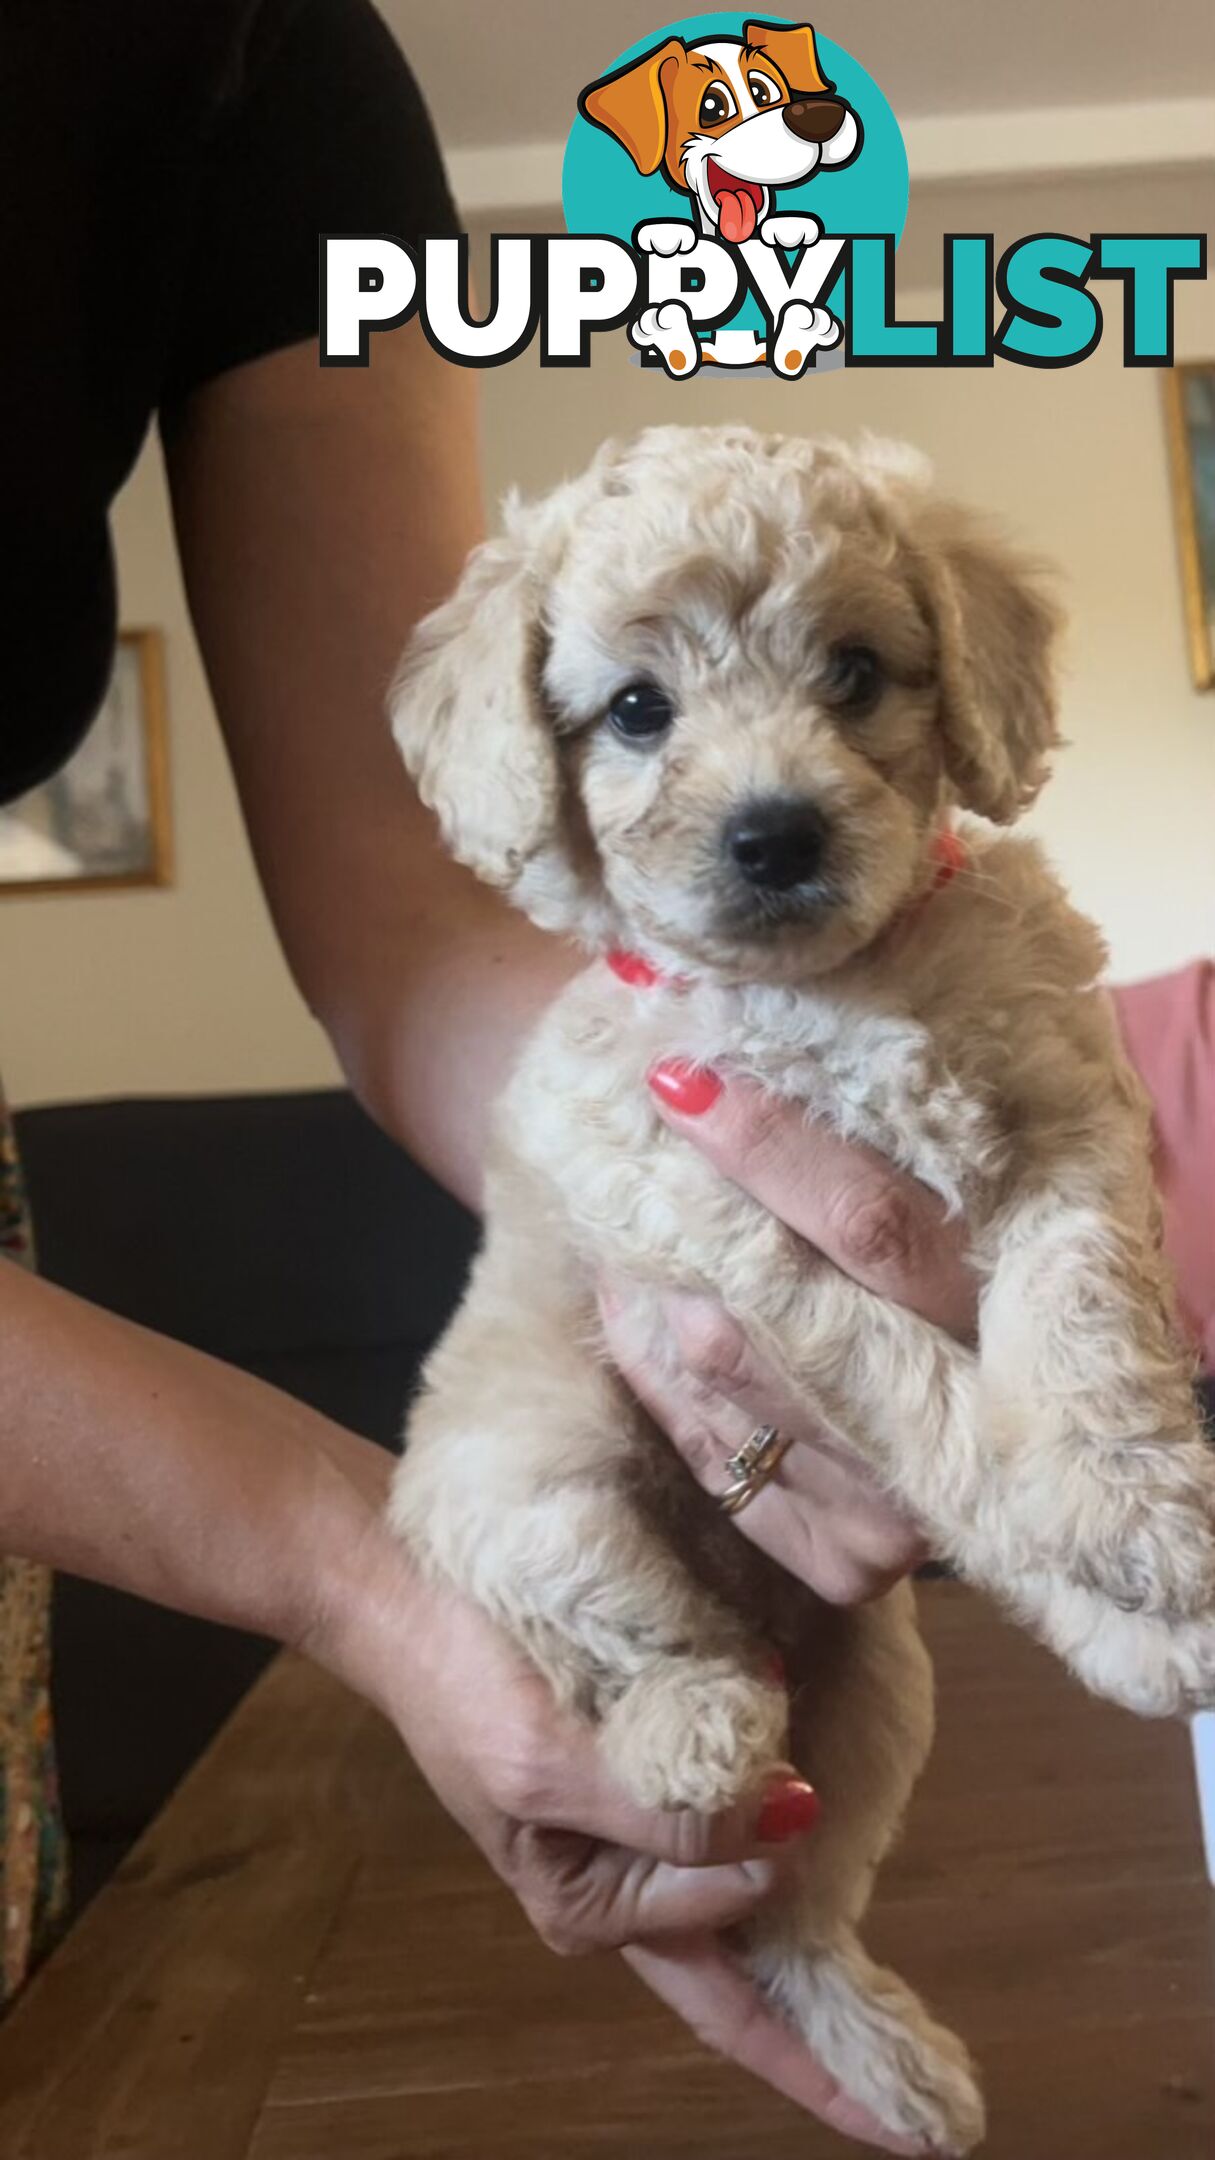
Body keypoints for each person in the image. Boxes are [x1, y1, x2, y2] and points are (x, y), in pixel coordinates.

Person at [0, 3, 1209, 2146]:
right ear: (541, 742)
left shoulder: (252, 64)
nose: (763, 784)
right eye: (639, 708)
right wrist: (377, 1579)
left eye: (852, 675)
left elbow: (404, 926)